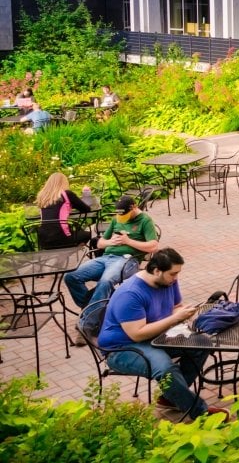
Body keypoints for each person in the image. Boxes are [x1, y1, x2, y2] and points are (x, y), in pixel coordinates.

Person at [96, 248, 228, 420]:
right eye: (173, 274)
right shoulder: (130, 294)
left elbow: (176, 307)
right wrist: (174, 319)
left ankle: (170, 399)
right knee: (165, 369)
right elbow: (137, 334)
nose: (176, 278)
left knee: (202, 344)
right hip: (123, 347)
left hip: (156, 336)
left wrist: (184, 314)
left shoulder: (168, 282)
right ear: (157, 270)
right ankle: (201, 413)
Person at [64, 194, 160, 328]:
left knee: (105, 282)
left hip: (127, 260)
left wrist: (128, 241)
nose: (122, 219)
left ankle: (88, 324)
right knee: (70, 276)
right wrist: (110, 242)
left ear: (134, 207)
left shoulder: (145, 220)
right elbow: (99, 244)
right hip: (105, 258)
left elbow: (153, 246)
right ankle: (95, 310)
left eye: (125, 216)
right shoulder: (116, 219)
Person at [35, 172, 93, 249]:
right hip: (63, 238)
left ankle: (64, 255)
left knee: (74, 231)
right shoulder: (67, 194)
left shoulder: (42, 197)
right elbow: (86, 209)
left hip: (44, 240)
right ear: (64, 182)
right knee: (87, 234)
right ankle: (69, 252)